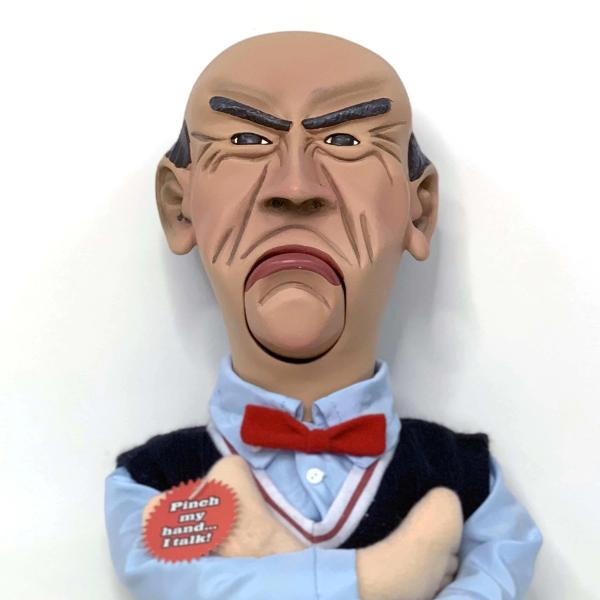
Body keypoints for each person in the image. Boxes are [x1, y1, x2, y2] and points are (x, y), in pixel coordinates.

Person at [105, 31, 542, 599]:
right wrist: (384, 581)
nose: (294, 188)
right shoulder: (150, 483)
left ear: (420, 210)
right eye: (245, 139)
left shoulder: (470, 483)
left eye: (345, 140)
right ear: (177, 206)